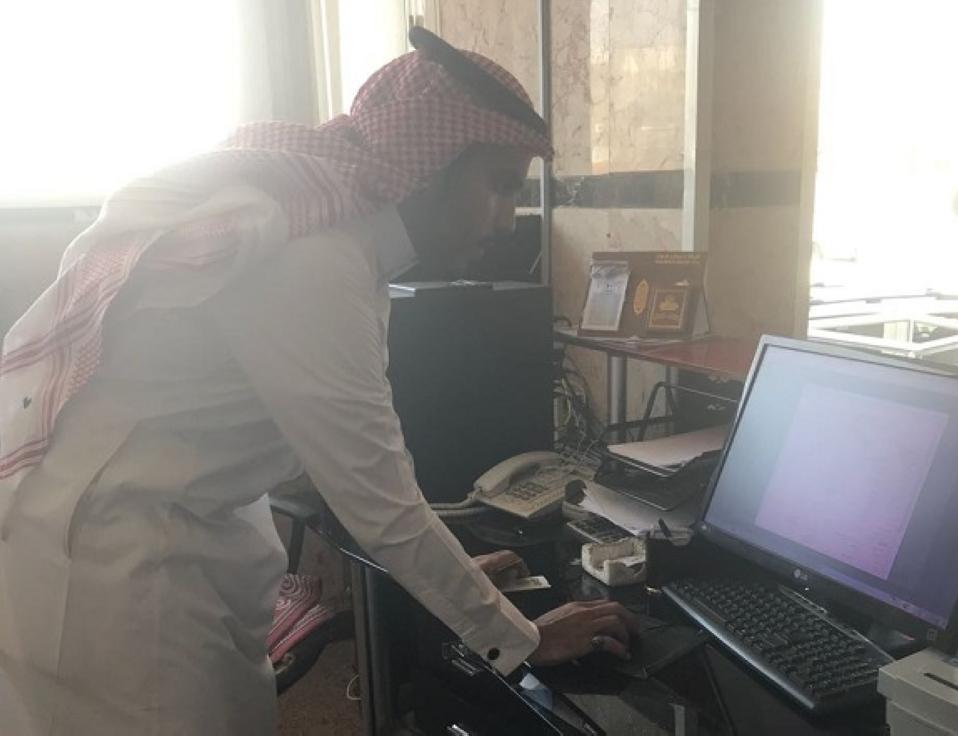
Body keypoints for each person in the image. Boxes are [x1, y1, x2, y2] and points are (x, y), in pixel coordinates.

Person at [0, 27, 636, 736]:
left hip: (173, 539)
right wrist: (522, 636)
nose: (509, 220)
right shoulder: (312, 260)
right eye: (500, 185)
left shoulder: (346, 248)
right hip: (117, 570)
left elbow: (348, 460)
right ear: (431, 167)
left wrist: (457, 581)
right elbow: (381, 504)